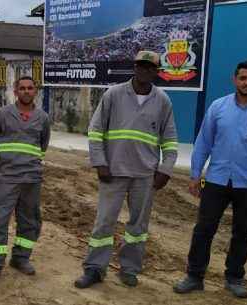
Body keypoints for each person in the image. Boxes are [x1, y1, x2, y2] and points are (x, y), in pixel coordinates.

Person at [174, 60, 247, 298]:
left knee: (243, 233)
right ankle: (194, 276)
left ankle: (234, 278)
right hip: (216, 181)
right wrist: (195, 175)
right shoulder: (218, 107)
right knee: (203, 229)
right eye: (243, 78)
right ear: (234, 79)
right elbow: (204, 142)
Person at [74, 50, 178, 289]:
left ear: (156, 72)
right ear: (135, 67)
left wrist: (166, 169)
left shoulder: (162, 100)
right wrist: (100, 162)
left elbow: (170, 139)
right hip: (113, 172)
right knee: (104, 222)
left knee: (138, 228)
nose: (145, 71)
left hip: (145, 175)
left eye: (150, 68)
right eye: (141, 66)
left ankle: (129, 269)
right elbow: (96, 130)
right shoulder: (114, 94)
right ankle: (94, 269)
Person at [0, 76, 51, 284]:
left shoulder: (43, 117)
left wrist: (32, 165)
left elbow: (43, 145)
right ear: (15, 91)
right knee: (0, 220)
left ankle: (20, 258)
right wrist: (0, 167)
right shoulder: (3, 114)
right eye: (22, 88)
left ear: (35, 91)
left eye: (30, 88)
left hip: (32, 178)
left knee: (30, 221)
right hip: (8, 177)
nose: (26, 91)